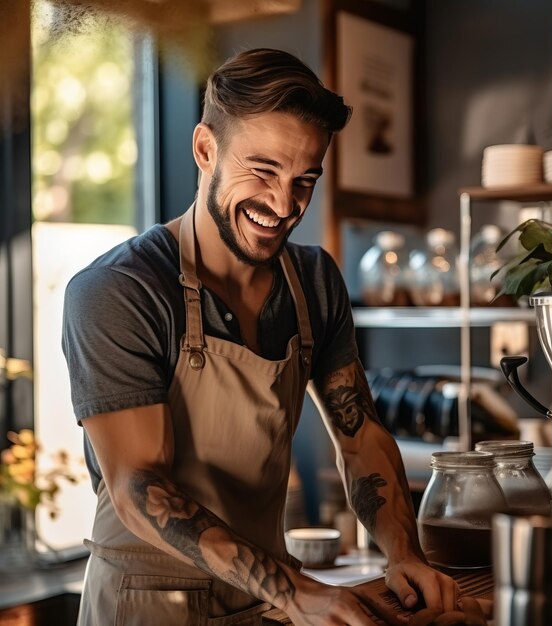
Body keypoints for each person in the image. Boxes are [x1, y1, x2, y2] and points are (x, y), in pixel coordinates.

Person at [62, 48, 458, 625]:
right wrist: (298, 590)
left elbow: (360, 436)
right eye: (263, 171)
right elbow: (138, 486)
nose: (283, 204)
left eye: (304, 181)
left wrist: (403, 554)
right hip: (146, 604)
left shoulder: (315, 280)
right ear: (205, 149)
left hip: (266, 601)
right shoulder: (118, 290)